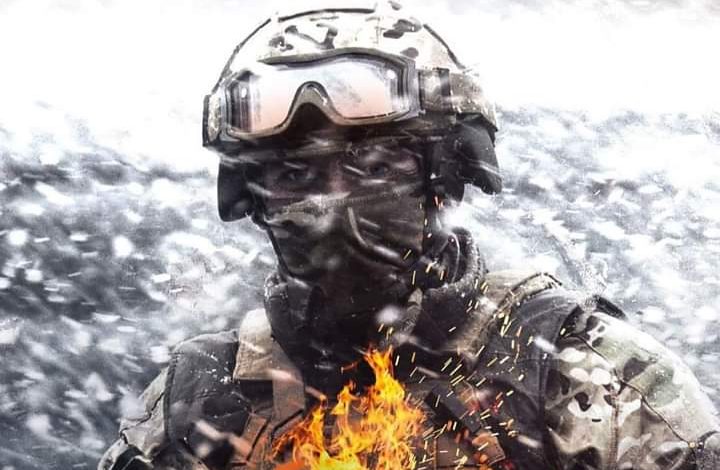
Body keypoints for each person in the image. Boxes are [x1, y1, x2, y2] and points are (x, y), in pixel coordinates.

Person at [98, 3, 720, 469]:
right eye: (292, 174)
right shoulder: (204, 398)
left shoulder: (581, 375)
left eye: (373, 167)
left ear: (443, 180)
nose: (330, 202)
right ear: (252, 201)